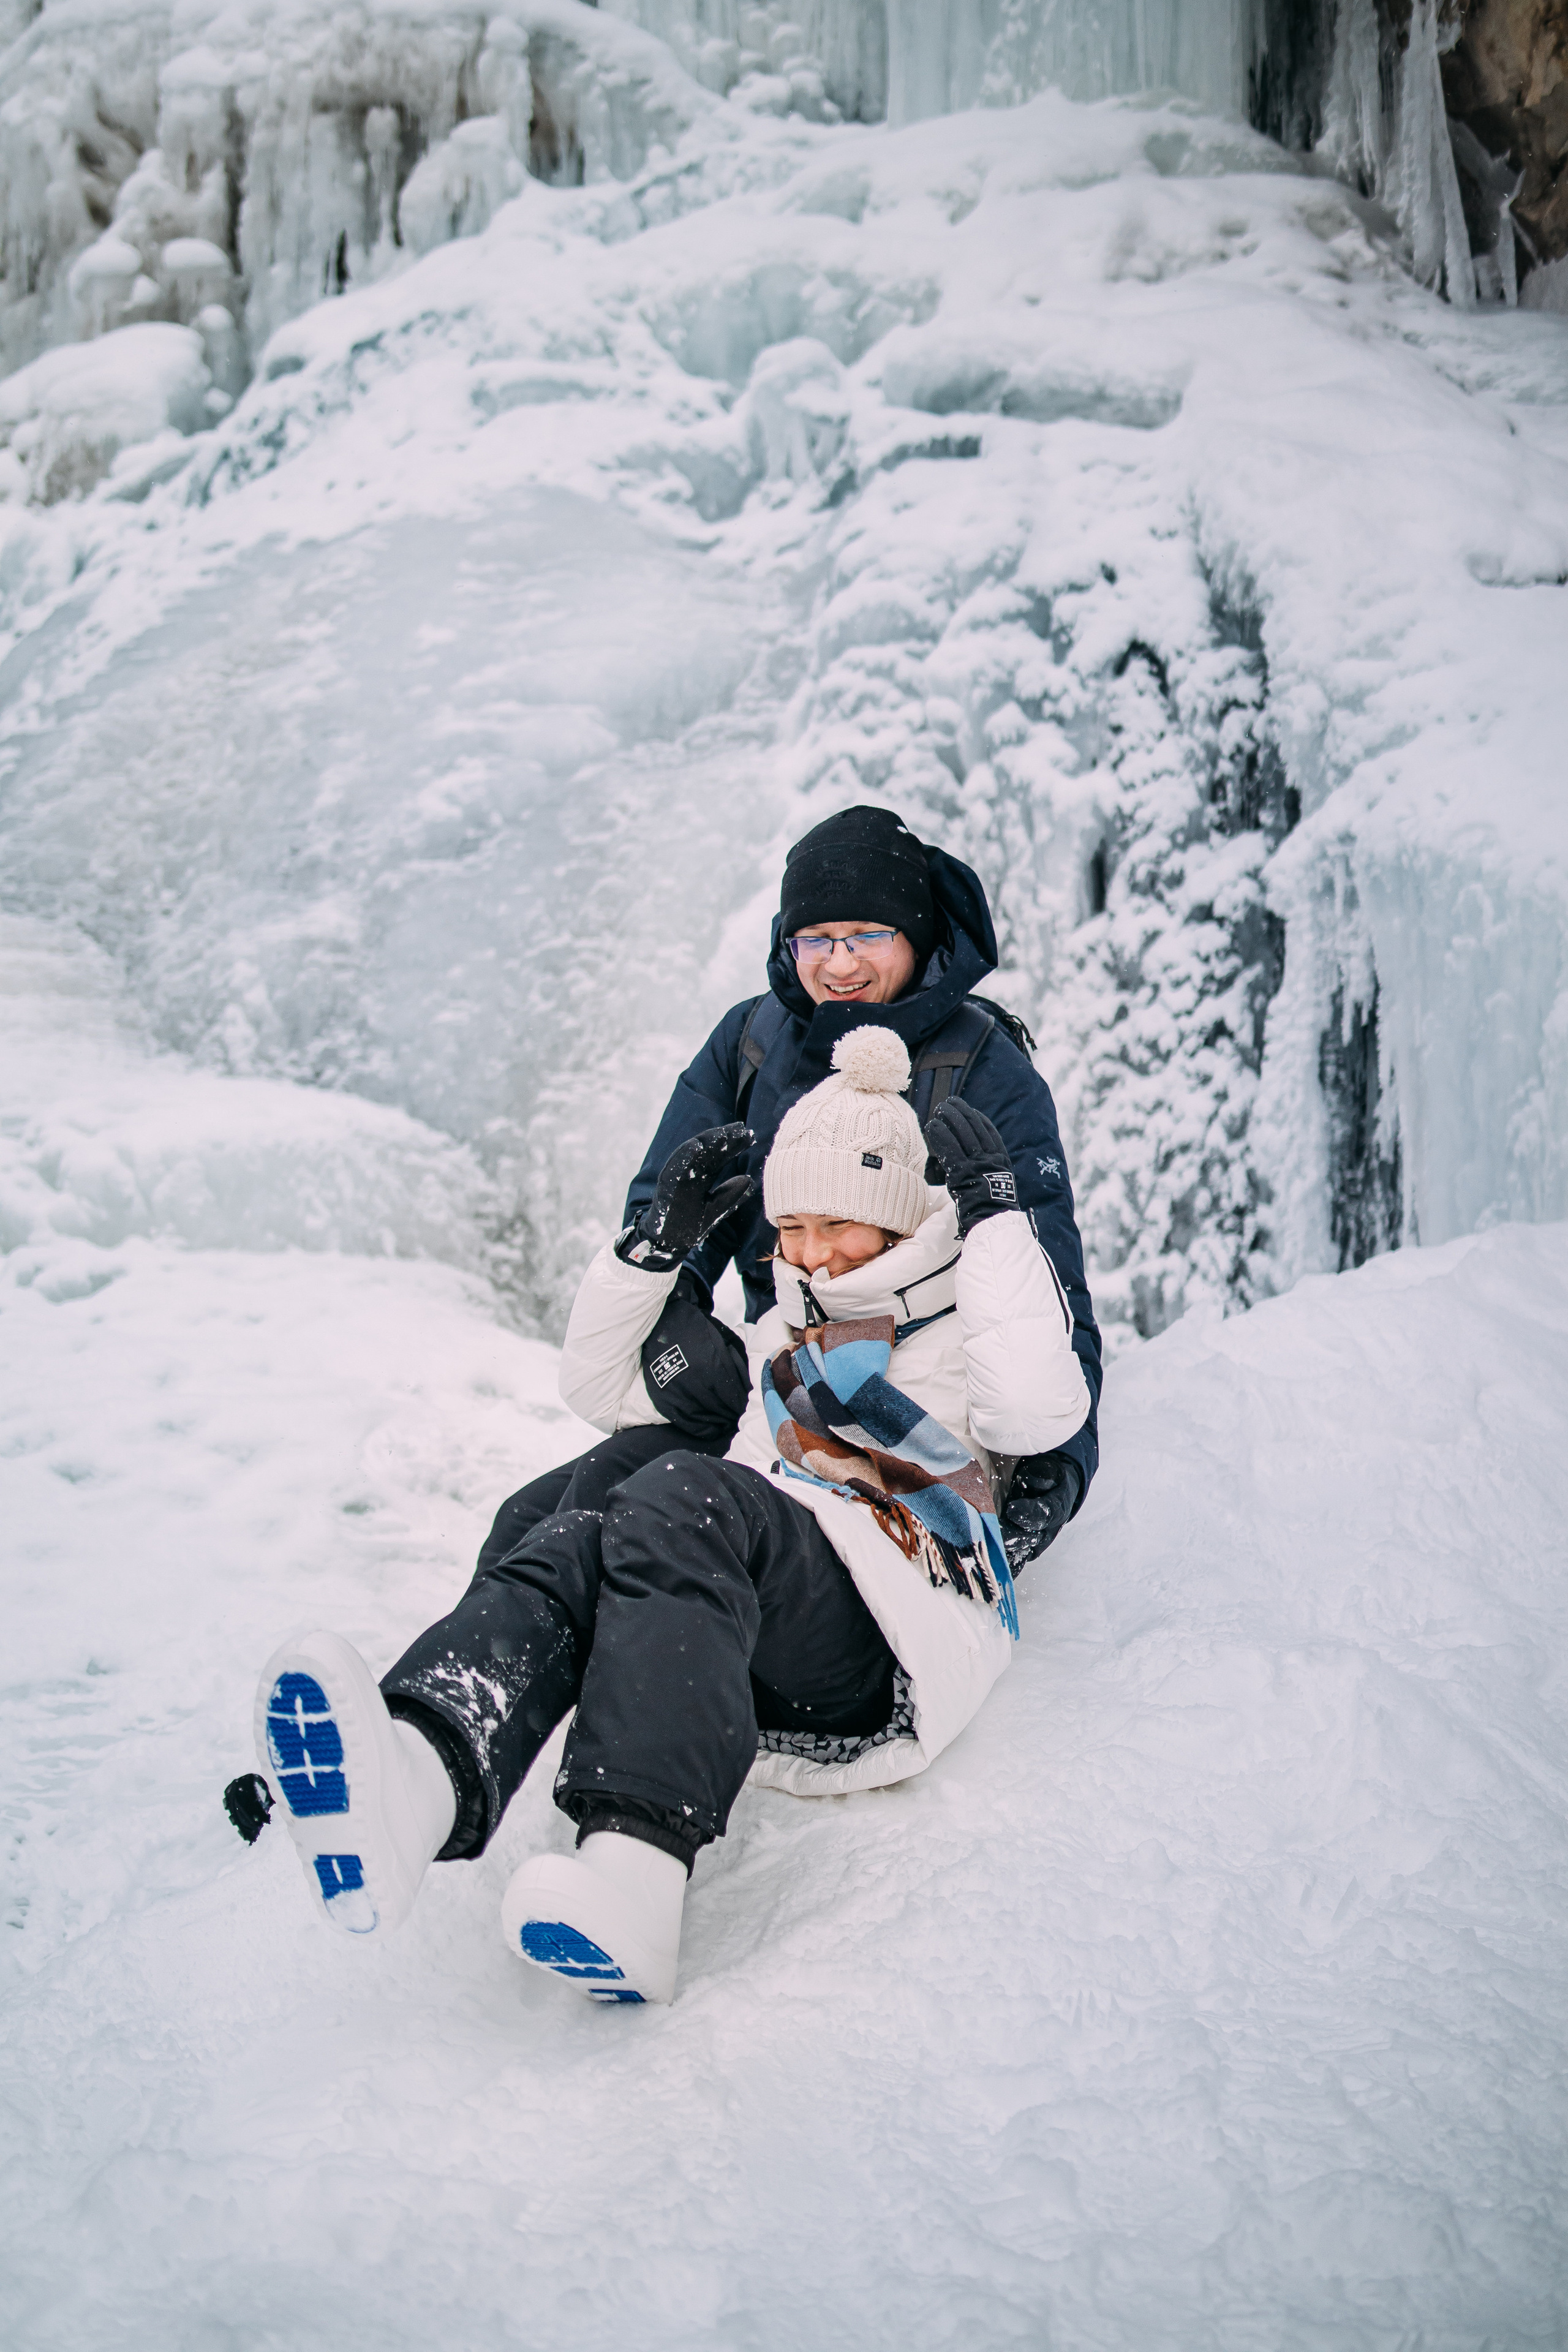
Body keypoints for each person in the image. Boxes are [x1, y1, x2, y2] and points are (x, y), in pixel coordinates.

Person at [255, 1026, 1091, 2002]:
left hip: (891, 1640)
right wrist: (653, 1250)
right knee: (579, 1530)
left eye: (838, 1225)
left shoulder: (965, 1317)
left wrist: (996, 1224)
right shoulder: (785, 1334)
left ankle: (635, 1877)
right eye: (791, 1228)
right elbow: (598, 1390)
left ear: (903, 1220)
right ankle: (419, 1775)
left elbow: (1039, 1413)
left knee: (684, 1494)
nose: (810, 1253)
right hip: (768, 1626)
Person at [477, 802, 1102, 1581]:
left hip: (917, 1415)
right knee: (541, 1520)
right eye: (816, 939)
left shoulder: (982, 1067)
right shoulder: (752, 1044)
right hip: (775, 1386)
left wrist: (1057, 1466)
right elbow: (672, 1211)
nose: (839, 964)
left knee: (663, 1529)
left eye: (868, 935)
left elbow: (1045, 1277)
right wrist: (676, 1321)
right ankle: (483, 1664)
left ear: (916, 937)